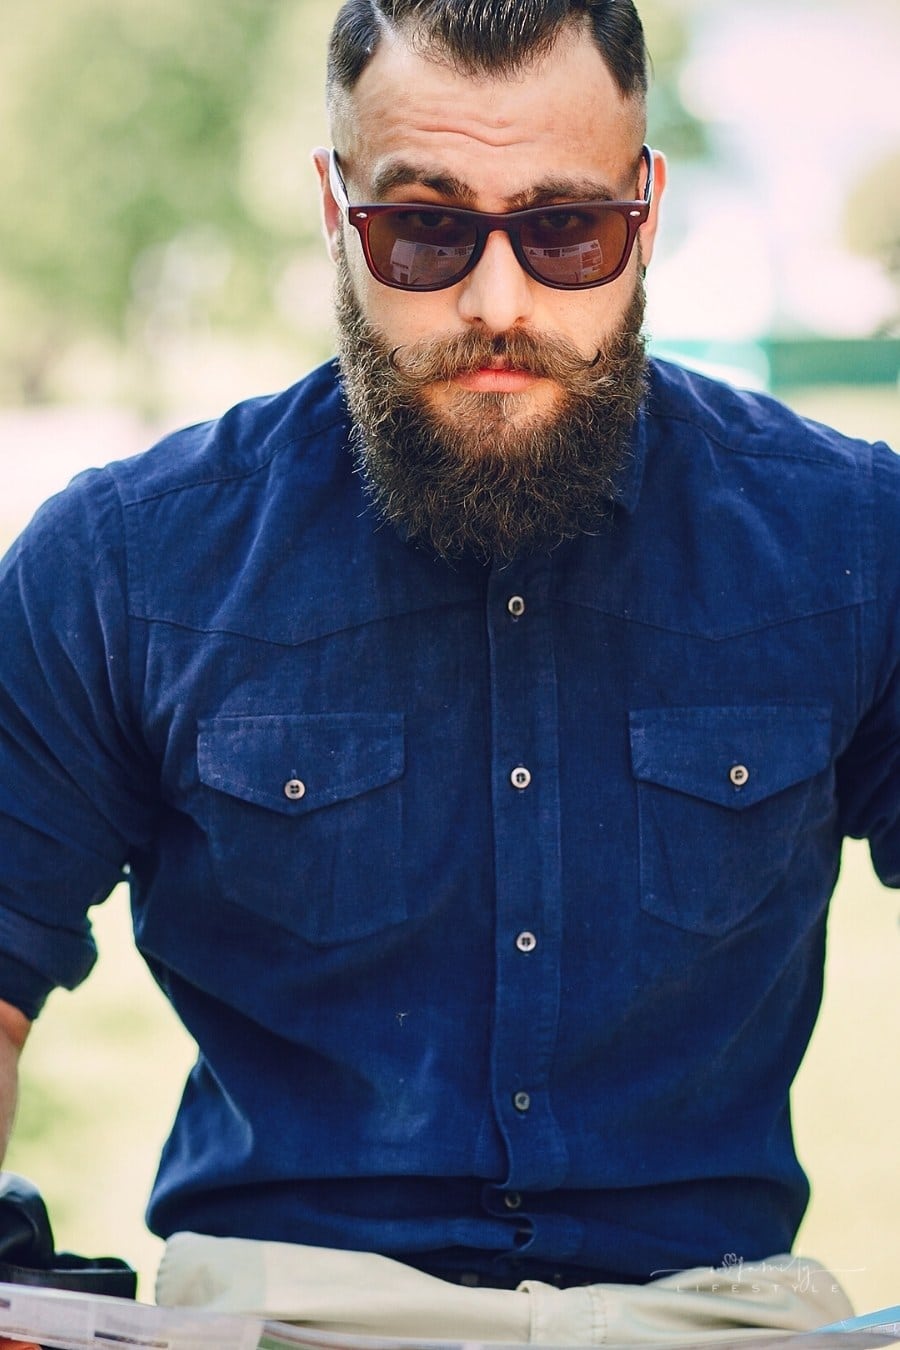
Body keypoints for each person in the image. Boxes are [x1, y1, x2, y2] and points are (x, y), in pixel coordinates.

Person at [0, 0, 897, 1343]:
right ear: (333, 209)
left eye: (563, 229)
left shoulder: (855, 541)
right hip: (278, 1316)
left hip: (713, 1316)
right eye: (423, 226)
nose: (498, 301)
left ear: (645, 208)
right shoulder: (123, 565)